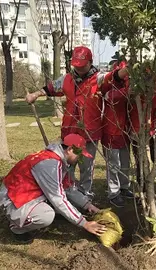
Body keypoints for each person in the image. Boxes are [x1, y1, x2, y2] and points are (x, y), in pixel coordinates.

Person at [0, 134, 107, 244]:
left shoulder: (57, 160)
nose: (79, 158)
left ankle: (29, 213)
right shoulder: (50, 165)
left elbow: (67, 188)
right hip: (13, 199)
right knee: (46, 216)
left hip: (26, 194)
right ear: (69, 149)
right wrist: (84, 223)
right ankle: (17, 226)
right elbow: (57, 198)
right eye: (79, 154)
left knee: (68, 207)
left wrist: (87, 205)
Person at [26, 46, 104, 197]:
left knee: (87, 165)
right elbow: (50, 88)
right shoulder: (66, 78)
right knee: (68, 163)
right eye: (76, 66)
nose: (79, 69)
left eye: (82, 66)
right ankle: (69, 191)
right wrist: (35, 94)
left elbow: (116, 80)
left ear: (90, 62)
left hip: (89, 130)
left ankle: (85, 192)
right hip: (69, 129)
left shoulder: (99, 79)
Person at [100, 61, 133, 207]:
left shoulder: (129, 85)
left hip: (125, 130)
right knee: (113, 164)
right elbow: (109, 96)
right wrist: (126, 92)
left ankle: (124, 187)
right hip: (110, 130)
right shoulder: (108, 84)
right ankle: (113, 192)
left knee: (125, 162)